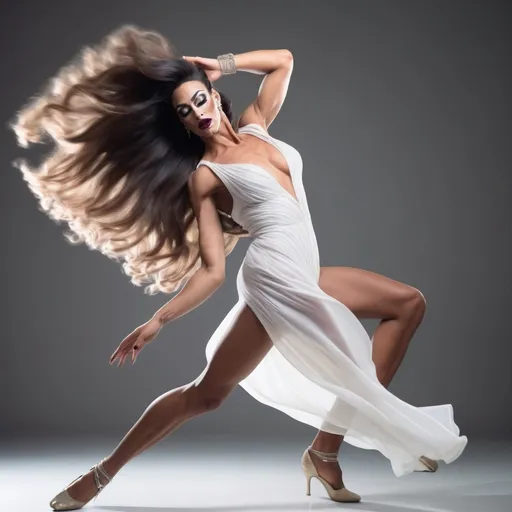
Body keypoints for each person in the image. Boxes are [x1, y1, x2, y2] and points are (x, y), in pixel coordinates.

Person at [11, 25, 467, 510]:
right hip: (273, 282)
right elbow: (211, 271)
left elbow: (283, 60)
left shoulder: (256, 125)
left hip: (305, 274)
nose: (197, 113)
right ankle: (99, 475)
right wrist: (158, 320)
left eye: (200, 100)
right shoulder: (205, 178)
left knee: (407, 304)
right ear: (181, 125)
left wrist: (218, 63)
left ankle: (324, 452)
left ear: (216, 97)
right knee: (205, 395)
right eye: (184, 111)